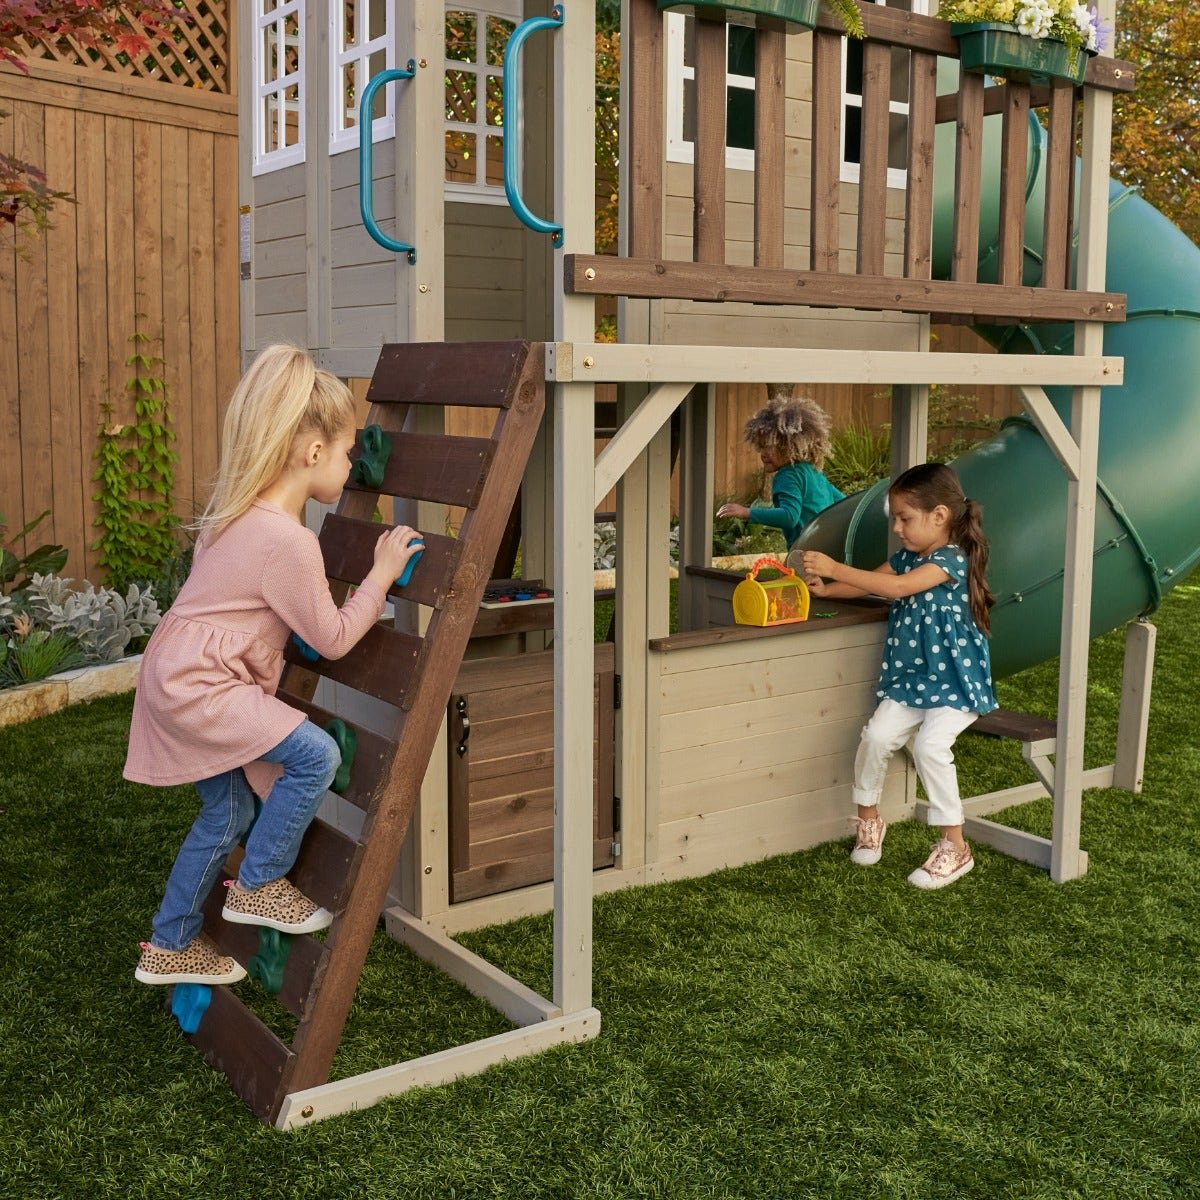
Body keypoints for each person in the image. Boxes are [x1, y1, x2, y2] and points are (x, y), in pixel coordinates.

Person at [126, 345, 422, 986]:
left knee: (227, 814)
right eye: (346, 452)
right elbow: (333, 638)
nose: (350, 465)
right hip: (202, 686)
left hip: (174, 676)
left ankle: (169, 944)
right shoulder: (288, 542)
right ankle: (259, 883)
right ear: (313, 453)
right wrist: (381, 575)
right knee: (317, 754)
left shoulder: (234, 514)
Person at [801, 462, 996, 890]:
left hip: (955, 682)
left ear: (939, 515)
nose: (897, 528)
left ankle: (955, 846)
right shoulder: (908, 558)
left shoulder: (950, 560)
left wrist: (835, 568)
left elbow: (896, 589)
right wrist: (829, 589)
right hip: (912, 679)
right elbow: (873, 582)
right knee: (876, 737)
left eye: (905, 519)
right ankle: (869, 819)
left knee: (930, 746)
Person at [716, 395, 845, 551]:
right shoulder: (814, 472)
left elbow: (789, 517)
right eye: (761, 447)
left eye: (770, 447)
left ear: (789, 446)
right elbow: (843, 502)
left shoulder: (787, 475)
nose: (763, 454)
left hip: (805, 552)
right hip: (827, 549)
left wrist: (747, 512)